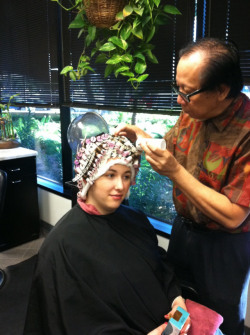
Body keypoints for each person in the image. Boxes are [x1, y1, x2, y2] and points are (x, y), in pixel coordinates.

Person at [115, 37, 250, 335]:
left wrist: (175, 172)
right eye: (178, 89)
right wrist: (141, 137)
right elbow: (171, 147)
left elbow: (233, 215)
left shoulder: (247, 131)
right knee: (179, 308)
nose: (180, 101)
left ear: (221, 90)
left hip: (224, 249)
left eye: (187, 93)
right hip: (184, 231)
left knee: (219, 319)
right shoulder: (193, 111)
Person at [24, 133, 190, 335]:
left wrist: (177, 302)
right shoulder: (63, 244)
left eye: (126, 176)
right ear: (88, 177)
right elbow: (73, 320)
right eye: (110, 175)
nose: (120, 186)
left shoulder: (137, 220)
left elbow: (160, 267)